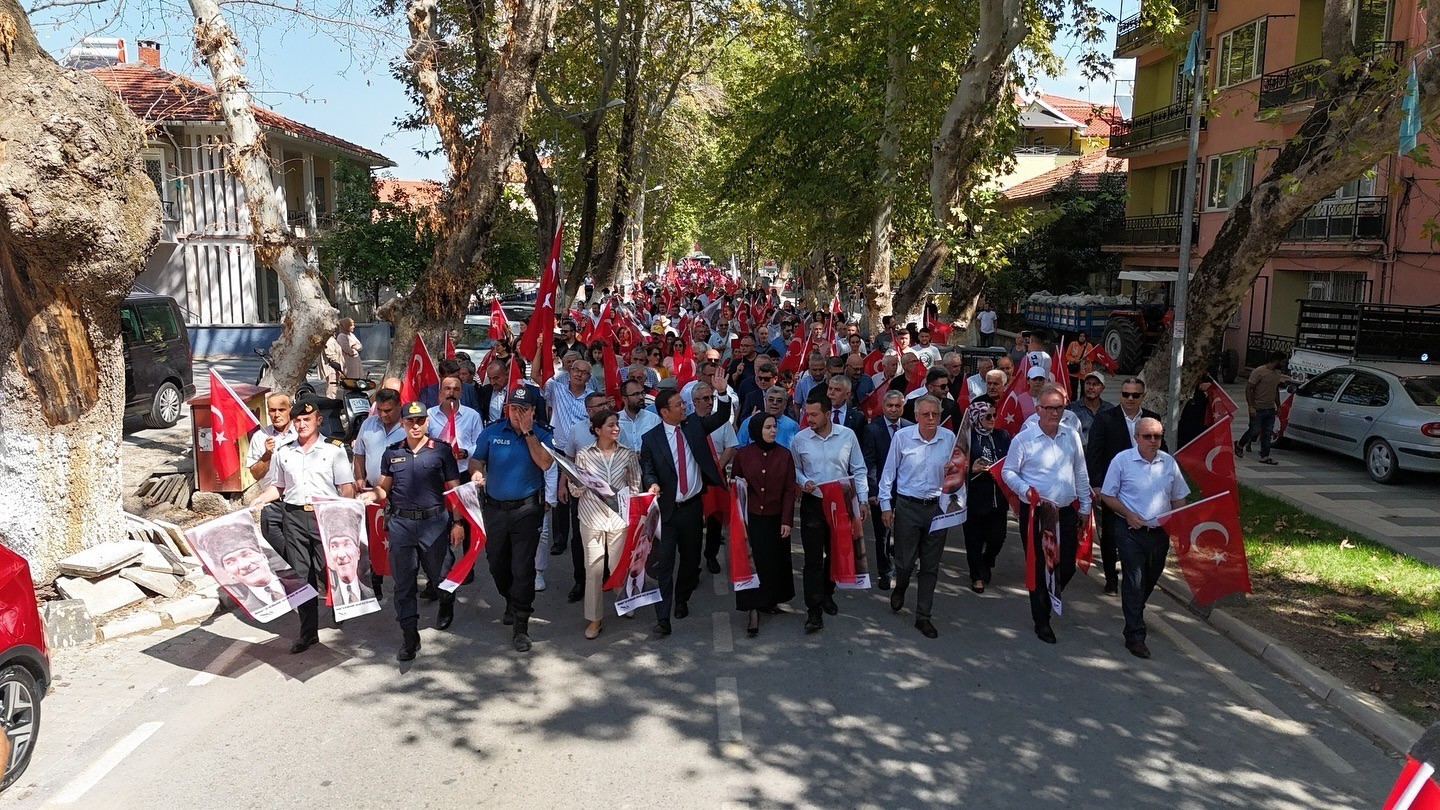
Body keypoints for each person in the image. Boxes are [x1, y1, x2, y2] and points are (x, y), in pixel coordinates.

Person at [250, 398, 356, 653]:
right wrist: (260, 499)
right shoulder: (284, 451)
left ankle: (340, 605)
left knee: (325, 569)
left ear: (318, 421)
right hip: (294, 517)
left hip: (324, 517)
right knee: (301, 575)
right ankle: (308, 633)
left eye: (306, 419)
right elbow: (278, 486)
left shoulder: (333, 450)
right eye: (297, 420)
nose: (301, 424)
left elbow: (346, 488)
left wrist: (345, 519)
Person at [640, 388, 733, 636]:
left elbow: (721, 417)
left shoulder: (693, 426)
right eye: (679, 405)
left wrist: (722, 393)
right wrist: (651, 483)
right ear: (664, 412)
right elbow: (647, 469)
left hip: (692, 508)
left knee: (691, 560)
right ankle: (663, 617)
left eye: (684, 403)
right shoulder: (651, 439)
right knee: (665, 563)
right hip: (668, 511)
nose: (684, 407)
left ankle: (682, 598)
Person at [1003, 386, 1091, 644]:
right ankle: (1042, 621)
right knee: (1041, 567)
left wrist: (1085, 506)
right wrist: (1025, 490)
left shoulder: (1072, 436)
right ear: (1038, 409)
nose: (1054, 412)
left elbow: (1080, 472)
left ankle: (1053, 592)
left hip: (1065, 512)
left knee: (1065, 566)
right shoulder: (1024, 440)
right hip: (1038, 515)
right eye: (1049, 408)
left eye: (1059, 407)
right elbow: (1009, 472)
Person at [469, 385, 555, 653]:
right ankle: (509, 598)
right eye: (513, 408)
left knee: (523, 568)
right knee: (496, 563)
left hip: (527, 511)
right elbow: (476, 460)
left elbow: (545, 464)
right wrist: (476, 473)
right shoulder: (492, 432)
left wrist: (528, 431)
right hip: (494, 509)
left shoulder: (541, 434)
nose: (517, 414)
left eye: (522, 409)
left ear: (532, 410)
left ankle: (521, 623)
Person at [1099, 416, 1190, 659]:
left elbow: (1179, 498)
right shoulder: (1122, 461)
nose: (1152, 441)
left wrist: (1179, 521)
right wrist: (1128, 514)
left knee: (1150, 578)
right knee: (1134, 580)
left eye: (1157, 437)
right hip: (1129, 531)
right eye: (1147, 436)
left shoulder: (1169, 463)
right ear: (1136, 437)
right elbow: (1108, 495)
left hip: (1159, 532)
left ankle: (1136, 609)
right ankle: (1135, 635)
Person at [877, 395, 956, 639]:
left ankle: (923, 616)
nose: (931, 418)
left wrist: (953, 472)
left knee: (930, 566)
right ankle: (900, 587)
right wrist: (885, 506)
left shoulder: (949, 439)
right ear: (916, 415)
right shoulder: (902, 438)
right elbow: (888, 473)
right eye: (926, 414)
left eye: (935, 414)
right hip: (908, 507)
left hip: (937, 509)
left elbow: (958, 473)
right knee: (905, 561)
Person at [791, 391, 869, 633]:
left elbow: (858, 468)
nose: (809, 418)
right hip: (813, 504)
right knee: (813, 559)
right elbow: (794, 468)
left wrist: (863, 500)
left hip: (841, 504)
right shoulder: (800, 439)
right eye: (807, 413)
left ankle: (827, 592)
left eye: (814, 414)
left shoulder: (847, 436)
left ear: (827, 414)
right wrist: (803, 481)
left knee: (836, 553)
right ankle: (813, 610)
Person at [1085, 377, 1163, 596]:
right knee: (1110, 533)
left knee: (1141, 529)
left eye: (1135, 395)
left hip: (1144, 486)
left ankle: (1137, 572)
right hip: (1114, 487)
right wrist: (1097, 484)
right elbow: (1095, 453)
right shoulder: (1105, 418)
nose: (1129, 399)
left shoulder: (1152, 418)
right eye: (1125, 394)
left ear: (1142, 396)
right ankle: (1111, 577)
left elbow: (1161, 450)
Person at [568, 409, 642, 640]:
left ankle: (625, 601)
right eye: (610, 425)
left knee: (618, 566)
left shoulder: (628, 454)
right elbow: (577, 489)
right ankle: (594, 619)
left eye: (616, 424)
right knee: (594, 571)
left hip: (619, 520)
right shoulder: (583, 455)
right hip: (591, 519)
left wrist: (637, 507)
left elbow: (635, 485)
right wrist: (578, 484)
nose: (615, 428)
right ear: (598, 430)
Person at [729, 413, 798, 637]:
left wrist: (787, 520)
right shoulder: (744, 455)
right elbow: (736, 485)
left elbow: (789, 490)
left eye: (774, 427)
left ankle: (769, 601)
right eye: (768, 427)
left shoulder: (785, 455)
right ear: (757, 429)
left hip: (775, 518)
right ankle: (752, 609)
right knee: (752, 563)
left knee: (773, 563)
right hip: (751, 519)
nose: (772, 431)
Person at [556, 391, 611, 604]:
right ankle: (580, 581)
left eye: (605, 403)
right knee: (580, 539)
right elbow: (567, 460)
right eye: (599, 405)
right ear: (588, 411)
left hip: (608, 493)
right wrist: (562, 484)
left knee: (610, 538)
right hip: (582, 494)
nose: (604, 407)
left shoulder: (615, 427)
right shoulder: (577, 430)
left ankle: (607, 576)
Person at [862, 390, 911, 591]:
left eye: (897, 406)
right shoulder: (873, 429)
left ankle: (903, 566)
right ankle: (885, 571)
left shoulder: (910, 428)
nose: (893, 409)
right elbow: (869, 462)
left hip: (907, 490)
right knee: (882, 533)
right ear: (883, 407)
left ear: (902, 406)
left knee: (905, 532)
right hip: (882, 491)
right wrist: (873, 491)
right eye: (889, 405)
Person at [962, 400, 1011, 592]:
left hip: (997, 497)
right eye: (987, 416)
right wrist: (969, 469)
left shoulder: (1002, 436)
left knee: (998, 537)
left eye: (993, 415)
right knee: (973, 539)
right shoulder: (966, 438)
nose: (992, 420)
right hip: (974, 497)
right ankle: (976, 576)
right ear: (976, 418)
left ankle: (987, 561)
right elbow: (954, 464)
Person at [202, 523, 304, 615]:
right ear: (227, 572)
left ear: (263, 555)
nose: (244, 565)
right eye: (230, 562)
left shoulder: (301, 583)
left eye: (246, 554)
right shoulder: (249, 606)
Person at [694, 382, 739, 573]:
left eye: (711, 398)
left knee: (715, 519)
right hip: (695, 478)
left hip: (716, 476)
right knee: (695, 523)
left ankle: (711, 555)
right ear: (694, 401)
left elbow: (731, 446)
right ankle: (693, 563)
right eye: (705, 398)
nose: (709, 402)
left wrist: (718, 467)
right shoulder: (688, 423)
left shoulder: (722, 423)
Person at [245, 392, 296, 561]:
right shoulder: (261, 437)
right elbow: (255, 474)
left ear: (290, 409)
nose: (277, 414)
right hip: (271, 503)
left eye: (281, 409)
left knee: (299, 557)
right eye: (272, 410)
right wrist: (267, 454)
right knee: (277, 558)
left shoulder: (300, 434)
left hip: (295, 503)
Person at [1236, 352, 1290, 465]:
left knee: (1267, 432)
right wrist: (1251, 406)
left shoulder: (1277, 373)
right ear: (1276, 361)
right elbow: (1249, 389)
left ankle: (1265, 455)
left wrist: (1278, 405)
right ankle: (1240, 444)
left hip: (1270, 408)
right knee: (1254, 430)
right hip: (1257, 407)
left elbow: (1275, 390)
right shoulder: (1259, 371)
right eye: (1282, 362)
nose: (1283, 364)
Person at [319, 519, 375, 608]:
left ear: (358, 551)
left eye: (347, 544)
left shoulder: (369, 593)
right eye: (334, 546)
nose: (341, 555)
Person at [427, 376, 484, 462]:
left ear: (461, 393)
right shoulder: (429, 414)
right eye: (447, 388)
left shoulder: (472, 415)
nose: (451, 393)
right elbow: (423, 441)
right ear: (440, 392)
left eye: (456, 389)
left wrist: (466, 452)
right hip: (437, 469)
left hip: (463, 470)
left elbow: (479, 444)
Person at [737, 386, 801, 449]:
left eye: (779, 400)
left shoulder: (793, 426)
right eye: (771, 400)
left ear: (785, 404)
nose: (775, 403)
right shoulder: (750, 421)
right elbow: (739, 448)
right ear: (765, 401)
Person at [321, 318, 363, 398]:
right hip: (334, 367)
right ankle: (331, 404)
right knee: (335, 386)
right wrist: (353, 350)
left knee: (352, 383)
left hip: (343, 365)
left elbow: (360, 346)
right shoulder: (337, 338)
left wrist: (355, 347)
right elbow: (346, 350)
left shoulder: (350, 335)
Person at [618, 380, 662, 450]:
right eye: (636, 394)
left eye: (642, 393)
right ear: (625, 398)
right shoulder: (616, 421)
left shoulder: (653, 419)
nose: (641, 397)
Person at [1067, 371, 1106, 447]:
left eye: (1095, 384)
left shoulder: (1109, 409)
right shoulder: (1071, 409)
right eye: (1088, 383)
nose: (1091, 387)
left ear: (1102, 388)